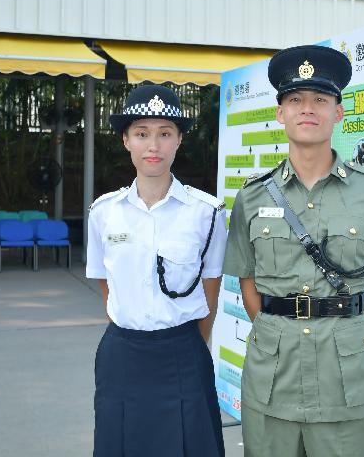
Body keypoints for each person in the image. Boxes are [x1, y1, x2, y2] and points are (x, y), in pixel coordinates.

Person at [223, 45, 364, 457]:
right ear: (280, 114)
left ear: (338, 112)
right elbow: (248, 285)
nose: (308, 109)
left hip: (349, 383)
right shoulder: (251, 198)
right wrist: (282, 330)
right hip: (273, 380)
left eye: (320, 100)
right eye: (295, 100)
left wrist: (346, 336)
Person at [87, 85, 227, 457]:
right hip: (122, 354)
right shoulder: (103, 212)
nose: (154, 146)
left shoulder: (207, 213)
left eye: (165, 134)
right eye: (142, 133)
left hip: (182, 353)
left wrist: (187, 341)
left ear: (179, 140)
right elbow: (107, 285)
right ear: (125, 140)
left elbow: (211, 287)